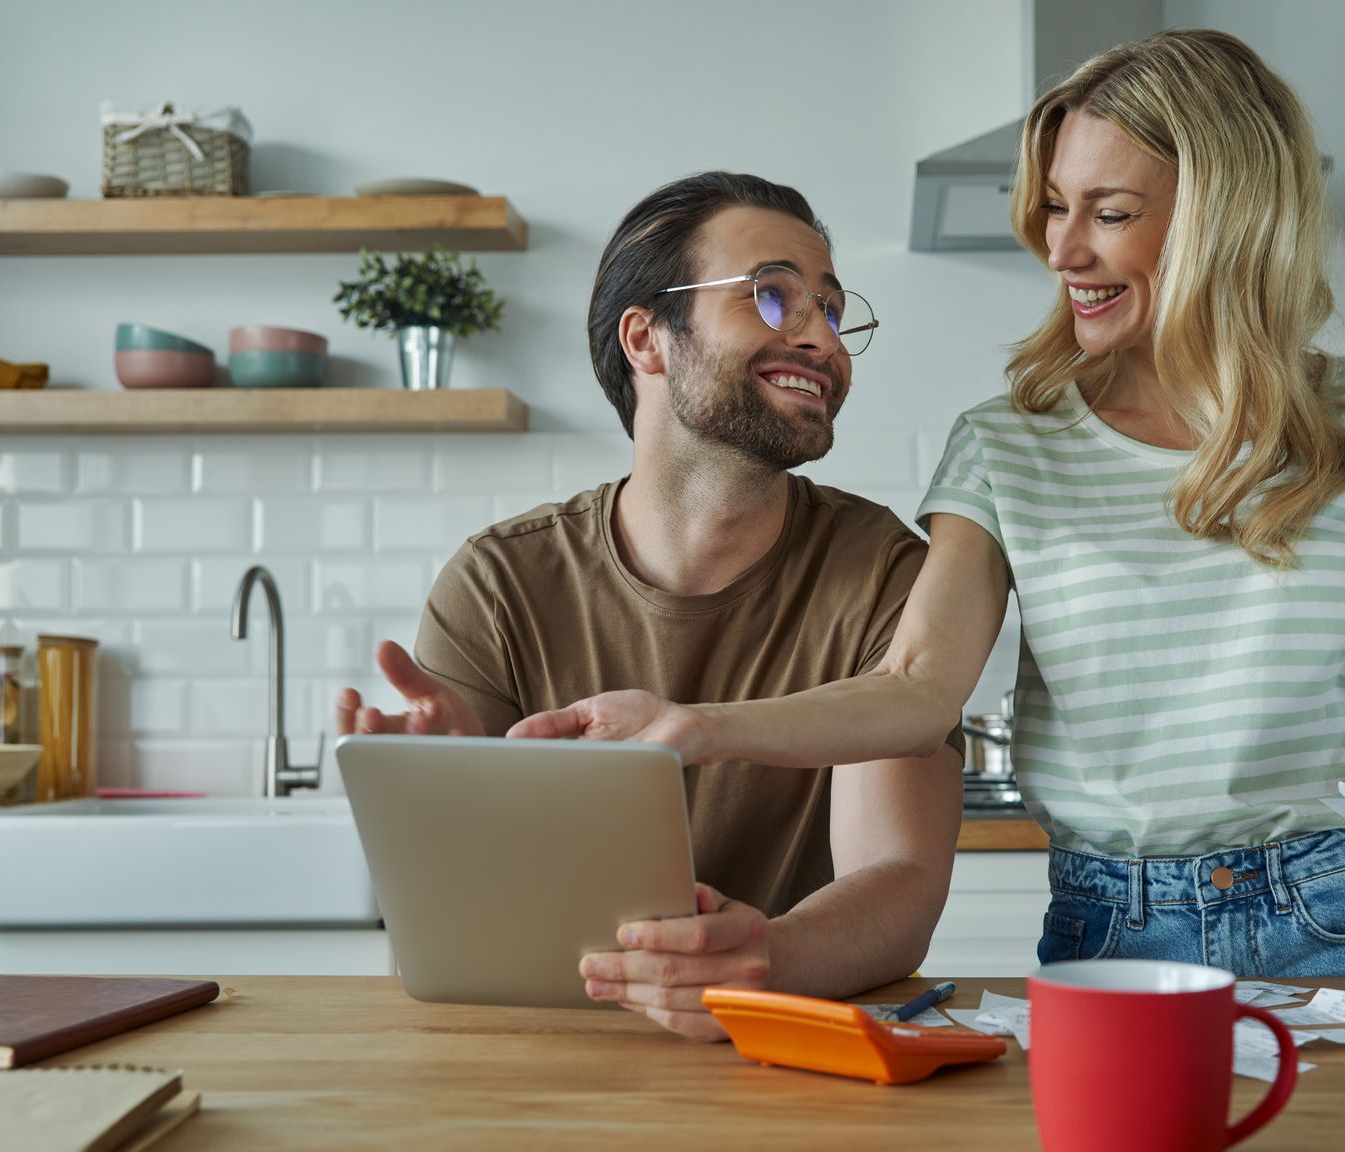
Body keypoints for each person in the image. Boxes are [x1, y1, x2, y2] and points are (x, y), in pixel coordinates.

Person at [510, 31, 1345, 979]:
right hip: (1117, 924)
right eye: (1054, 208)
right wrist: (700, 728)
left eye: (1109, 213)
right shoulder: (1008, 444)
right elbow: (916, 690)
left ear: (1231, 217)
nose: (1063, 250)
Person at [337, 172, 963, 1038]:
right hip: (550, 1053)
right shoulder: (498, 584)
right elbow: (467, 927)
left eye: (830, 307)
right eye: (775, 297)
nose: (825, 340)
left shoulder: (886, 574)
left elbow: (898, 877)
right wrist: (447, 805)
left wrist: (759, 963)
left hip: (792, 1054)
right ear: (648, 338)